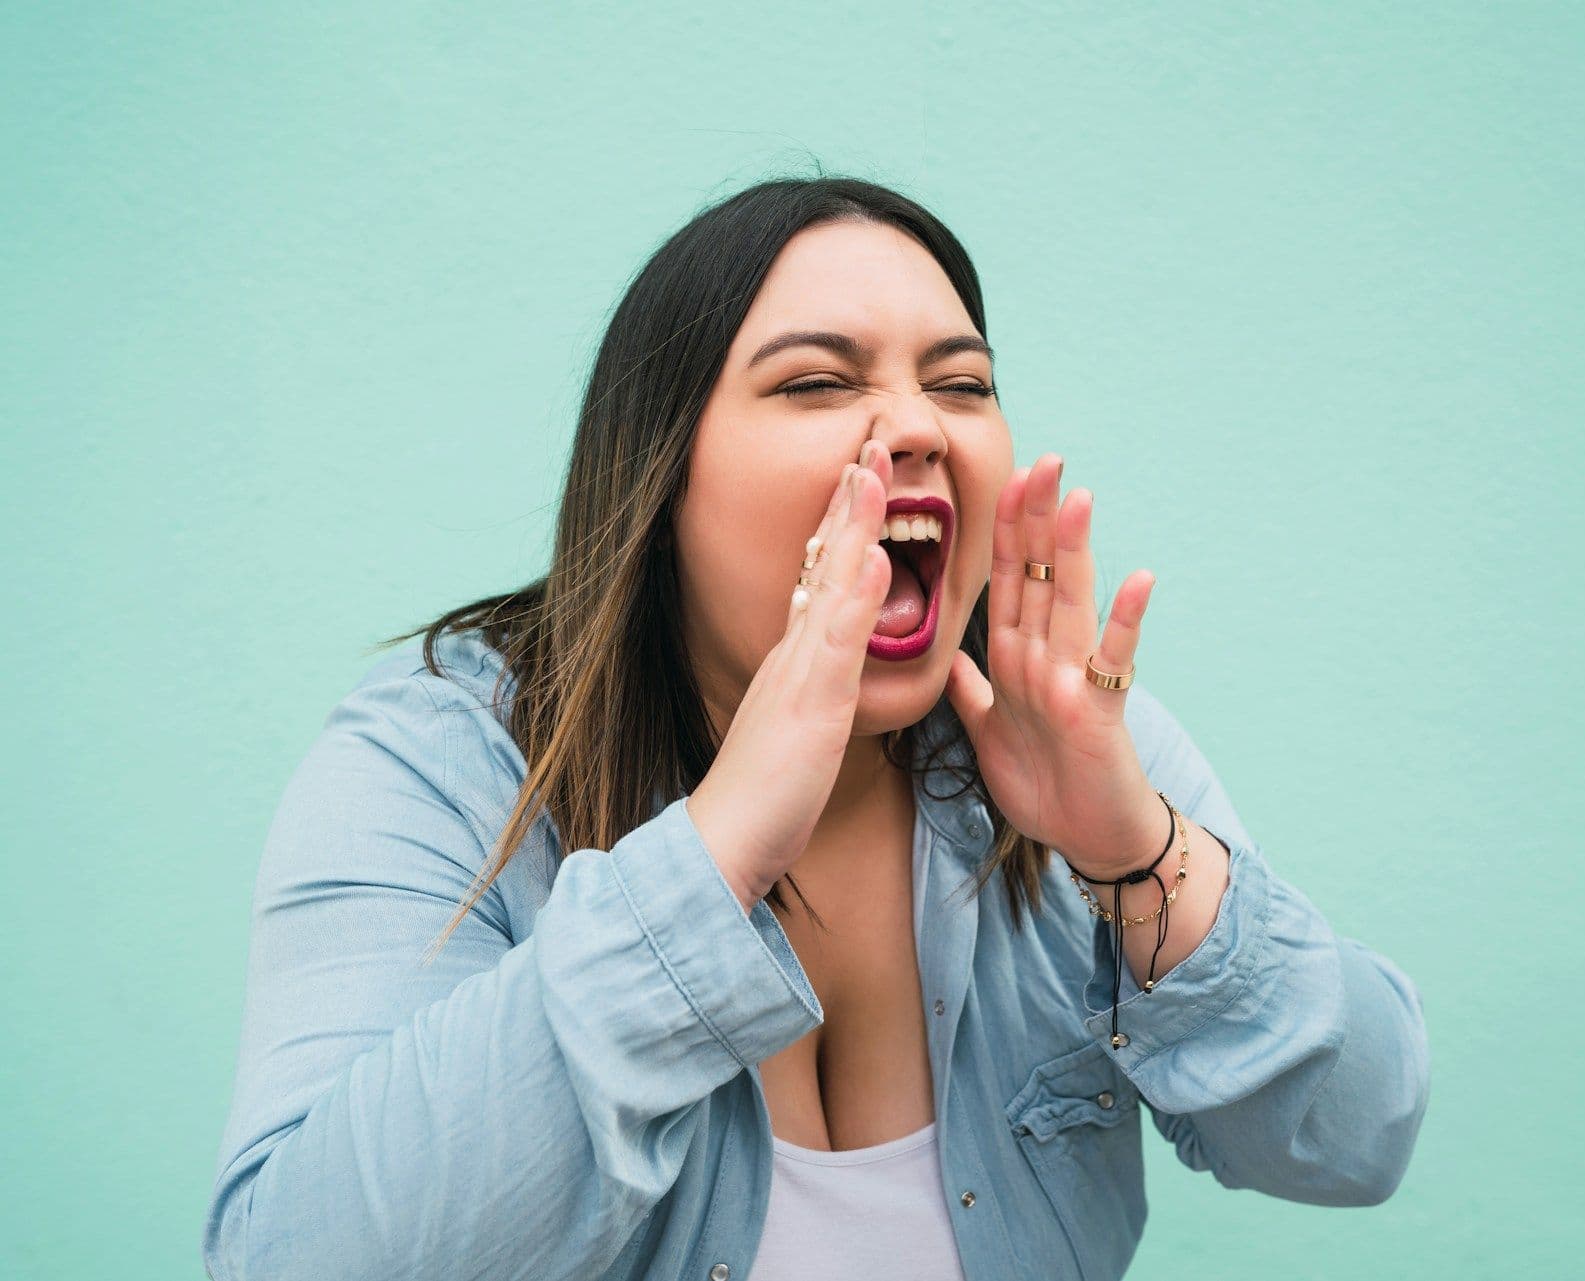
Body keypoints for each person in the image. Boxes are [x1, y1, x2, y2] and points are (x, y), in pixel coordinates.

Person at [201, 176, 1431, 1281]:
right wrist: (714, 852)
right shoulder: (442, 766)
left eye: (961, 384)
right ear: (660, 477)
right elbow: (292, 1260)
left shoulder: (1071, 743)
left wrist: (1134, 851)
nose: (919, 426)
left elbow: (1359, 1137)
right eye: (817, 383)